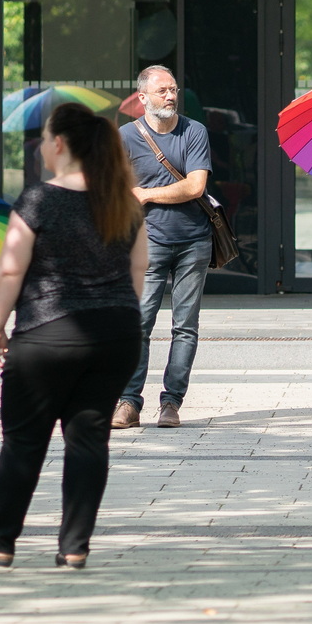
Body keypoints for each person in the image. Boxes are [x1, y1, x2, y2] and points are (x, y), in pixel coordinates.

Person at [0, 103, 147, 568]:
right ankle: (74, 548)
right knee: (89, 440)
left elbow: (10, 269)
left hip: (47, 334)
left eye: (45, 138)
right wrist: (114, 312)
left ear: (60, 144)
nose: (42, 145)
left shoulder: (39, 199)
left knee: (24, 442)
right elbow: (138, 271)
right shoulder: (123, 201)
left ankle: (0, 543)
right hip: (117, 335)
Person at [114, 64, 215, 431]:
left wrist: (146, 194)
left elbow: (195, 186)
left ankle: (171, 403)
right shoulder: (126, 136)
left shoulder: (194, 131)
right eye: (163, 91)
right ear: (143, 98)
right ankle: (129, 402)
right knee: (139, 323)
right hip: (147, 243)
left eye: (173, 90)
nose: (171, 96)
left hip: (194, 241)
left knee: (185, 326)